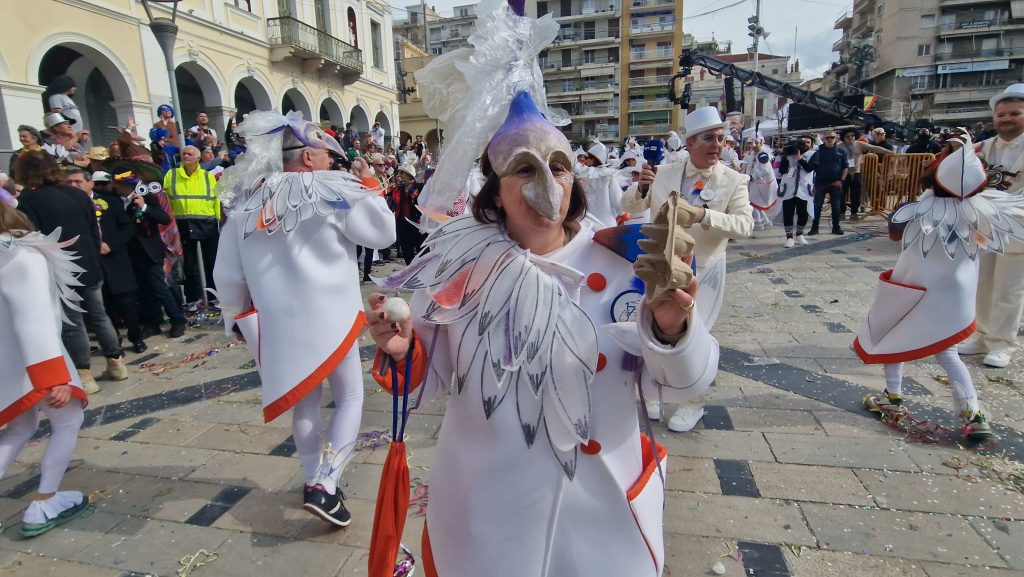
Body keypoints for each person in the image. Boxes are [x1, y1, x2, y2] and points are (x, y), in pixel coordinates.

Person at [369, 72, 718, 577]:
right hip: (488, 517)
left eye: (558, 167)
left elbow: (687, 385)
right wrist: (402, 350)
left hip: (602, 519)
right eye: (523, 169)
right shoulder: (457, 269)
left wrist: (671, 329)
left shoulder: (628, 264)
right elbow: (426, 381)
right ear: (494, 190)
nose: (546, 184)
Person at [213, 111, 396, 527]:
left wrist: (237, 318)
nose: (333, 162)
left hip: (279, 323)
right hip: (333, 316)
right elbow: (382, 235)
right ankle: (327, 483)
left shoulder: (246, 199)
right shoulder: (332, 189)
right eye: (327, 154)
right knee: (349, 397)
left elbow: (225, 273)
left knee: (305, 402)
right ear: (309, 158)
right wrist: (367, 182)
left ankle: (315, 477)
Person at [856, 132, 1024, 440]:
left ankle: (892, 399)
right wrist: (960, 153)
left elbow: (895, 231)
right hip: (953, 299)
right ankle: (973, 413)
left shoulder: (921, 209)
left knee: (892, 340)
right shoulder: (983, 209)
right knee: (949, 353)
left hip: (912, 291)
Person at [621, 105, 752, 432]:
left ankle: (692, 401)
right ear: (690, 143)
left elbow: (745, 225)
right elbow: (628, 205)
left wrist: (703, 216)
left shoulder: (733, 180)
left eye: (721, 138)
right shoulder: (665, 172)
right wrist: (641, 188)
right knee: (652, 329)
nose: (717, 145)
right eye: (709, 138)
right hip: (660, 267)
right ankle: (653, 392)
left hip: (703, 271)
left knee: (694, 336)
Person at [0, 198, 92, 537]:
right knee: (68, 420)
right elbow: (34, 319)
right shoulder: (21, 256)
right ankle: (44, 501)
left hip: (6, 362)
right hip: (37, 361)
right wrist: (54, 378)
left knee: (20, 427)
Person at [14, 151, 127, 394]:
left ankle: (84, 374)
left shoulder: (29, 202)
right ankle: (116, 363)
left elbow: (30, 240)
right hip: (88, 263)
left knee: (73, 322)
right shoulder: (78, 195)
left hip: (58, 269)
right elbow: (93, 231)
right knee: (99, 315)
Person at [959, 84, 1024, 368]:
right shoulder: (983, 147)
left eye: (1015, 113)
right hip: (984, 228)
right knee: (982, 284)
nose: (1006, 119)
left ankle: (1003, 344)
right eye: (1001, 114)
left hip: (1019, 229)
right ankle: (982, 336)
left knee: (1009, 289)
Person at [66, 169, 146, 354]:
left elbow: (127, 228)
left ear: (90, 183)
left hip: (115, 258)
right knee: (103, 306)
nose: (73, 186)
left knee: (127, 303)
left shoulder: (110, 201)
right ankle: (113, 342)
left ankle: (136, 337)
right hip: (91, 262)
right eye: (69, 182)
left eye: (77, 181)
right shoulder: (67, 206)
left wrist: (110, 244)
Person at [110, 167, 188, 339]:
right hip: (131, 253)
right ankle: (152, 323)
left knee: (162, 288)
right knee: (143, 291)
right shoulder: (114, 201)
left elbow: (164, 218)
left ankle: (177, 319)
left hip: (150, 251)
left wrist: (144, 207)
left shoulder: (147, 198)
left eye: (122, 185)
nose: (119, 187)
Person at [163, 145, 221, 309]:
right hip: (183, 222)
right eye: (184, 154)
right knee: (188, 264)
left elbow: (215, 198)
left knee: (211, 262)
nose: (186, 156)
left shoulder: (206, 176)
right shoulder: (172, 175)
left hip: (207, 222)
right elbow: (165, 199)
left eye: (190, 154)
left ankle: (213, 297)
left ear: (198, 158)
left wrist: (218, 221)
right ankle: (191, 299)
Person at [807, 130, 849, 236]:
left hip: (836, 183)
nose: (830, 139)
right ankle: (814, 228)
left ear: (836, 139)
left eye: (832, 137)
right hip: (821, 182)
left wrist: (841, 180)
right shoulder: (818, 152)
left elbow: (845, 168)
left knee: (836, 207)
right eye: (827, 138)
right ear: (824, 139)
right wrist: (812, 184)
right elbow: (812, 168)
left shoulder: (841, 152)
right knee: (817, 206)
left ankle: (836, 227)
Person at [575, 138, 623, 226]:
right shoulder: (609, 176)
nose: (585, 160)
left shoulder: (581, 176)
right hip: (607, 223)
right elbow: (618, 202)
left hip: (586, 224)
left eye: (587, 157)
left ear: (593, 160)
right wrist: (622, 214)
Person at [778, 137, 815, 247]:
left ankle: (799, 234)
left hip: (804, 189)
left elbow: (810, 168)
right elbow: (782, 170)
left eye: (807, 143)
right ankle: (789, 237)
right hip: (789, 188)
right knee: (788, 212)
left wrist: (799, 158)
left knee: (803, 212)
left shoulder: (813, 154)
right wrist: (786, 155)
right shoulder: (788, 154)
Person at [390, 163, 425, 264]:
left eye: (402, 173)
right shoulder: (397, 190)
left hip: (418, 226)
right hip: (403, 226)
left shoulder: (420, 187)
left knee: (423, 254)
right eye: (399, 172)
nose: (399, 175)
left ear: (409, 175)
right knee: (407, 254)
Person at [748, 151, 779, 231]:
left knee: (752, 202)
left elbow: (765, 170)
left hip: (762, 184)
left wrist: (753, 176)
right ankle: (766, 221)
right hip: (755, 183)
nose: (752, 145)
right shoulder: (752, 154)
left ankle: (758, 222)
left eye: (756, 143)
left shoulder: (763, 154)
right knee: (757, 203)